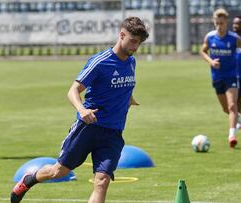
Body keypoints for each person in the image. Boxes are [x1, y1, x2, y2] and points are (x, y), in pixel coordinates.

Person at [10, 16, 149, 203]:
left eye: (138, 43)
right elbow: (73, 90)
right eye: (132, 41)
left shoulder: (132, 63)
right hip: (87, 128)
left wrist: (129, 99)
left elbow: (123, 86)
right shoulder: (100, 61)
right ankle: (29, 180)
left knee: (102, 181)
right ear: (121, 35)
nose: (135, 47)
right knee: (58, 171)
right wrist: (82, 109)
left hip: (113, 133)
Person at [200, 8, 241, 148]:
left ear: (226, 23)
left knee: (232, 106)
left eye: (221, 23)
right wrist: (210, 62)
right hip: (217, 77)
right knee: (226, 109)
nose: (219, 26)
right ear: (214, 22)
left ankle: (232, 136)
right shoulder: (210, 37)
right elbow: (203, 51)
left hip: (231, 76)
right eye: (216, 23)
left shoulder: (234, 39)